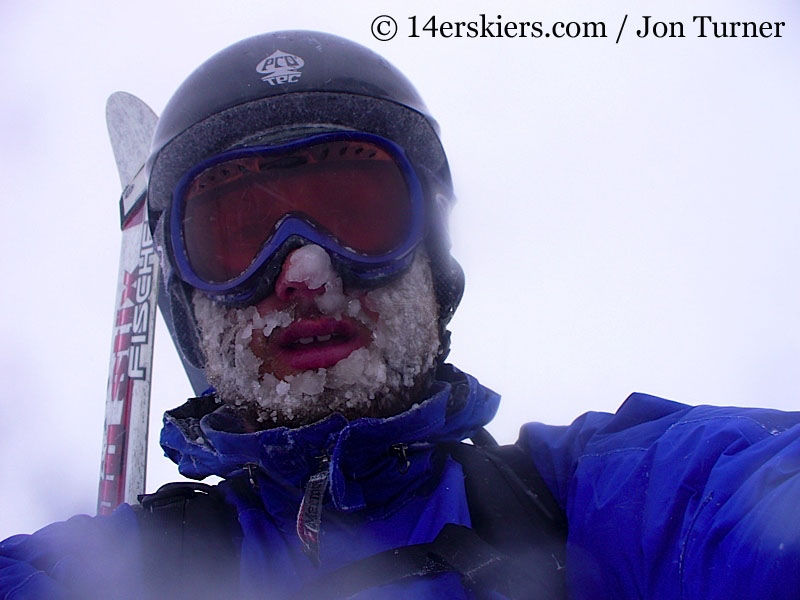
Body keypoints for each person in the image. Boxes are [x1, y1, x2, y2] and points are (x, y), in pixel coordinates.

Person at [1, 30, 799, 600]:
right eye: (239, 237)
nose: (305, 271)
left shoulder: (592, 504)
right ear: (192, 312)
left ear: (435, 271)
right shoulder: (118, 573)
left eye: (358, 216)